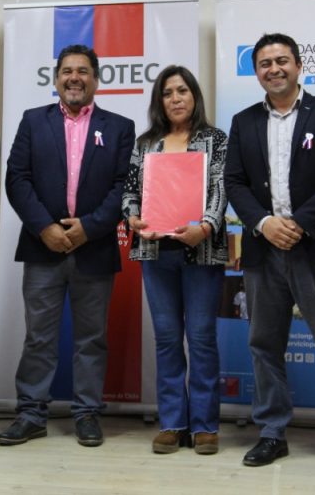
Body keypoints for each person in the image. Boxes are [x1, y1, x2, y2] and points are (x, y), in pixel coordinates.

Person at [224, 33, 315, 472]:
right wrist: (264, 223)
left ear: (299, 65)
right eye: (264, 63)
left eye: (281, 60)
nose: (274, 69)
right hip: (263, 249)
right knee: (264, 345)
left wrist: (300, 224)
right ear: (256, 72)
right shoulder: (244, 121)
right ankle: (271, 433)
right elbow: (234, 182)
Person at [0, 44, 134, 448]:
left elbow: (124, 186)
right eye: (67, 71)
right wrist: (45, 227)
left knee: (91, 338)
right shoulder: (33, 120)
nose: (74, 78)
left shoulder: (119, 127)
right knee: (38, 337)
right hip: (43, 247)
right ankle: (31, 414)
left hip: (93, 248)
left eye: (83, 71)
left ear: (96, 79)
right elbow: (17, 178)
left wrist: (88, 228)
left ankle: (87, 413)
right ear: (56, 78)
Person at [121, 65, 228, 455]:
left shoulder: (215, 139)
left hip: (201, 251)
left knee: (201, 340)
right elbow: (130, 192)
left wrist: (206, 225)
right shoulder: (146, 143)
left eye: (183, 91)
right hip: (156, 252)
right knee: (167, 340)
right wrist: (133, 218)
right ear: (159, 101)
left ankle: (204, 426)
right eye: (167, 93)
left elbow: (221, 188)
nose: (176, 98)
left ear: (194, 96)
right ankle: (172, 423)